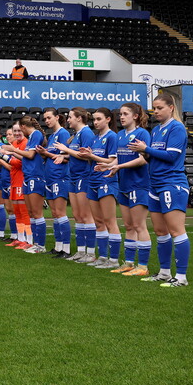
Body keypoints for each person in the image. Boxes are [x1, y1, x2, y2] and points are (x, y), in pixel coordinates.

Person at [131, 93, 192, 287]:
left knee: (176, 230)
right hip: (155, 184)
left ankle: (181, 277)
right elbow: (155, 156)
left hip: (171, 183)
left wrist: (146, 149)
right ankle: (165, 273)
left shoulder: (177, 128)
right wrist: (143, 152)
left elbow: (171, 157)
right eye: (154, 108)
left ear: (171, 108)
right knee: (160, 231)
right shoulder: (156, 130)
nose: (155, 111)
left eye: (159, 108)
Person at [95, 103, 151, 275]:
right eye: (120, 114)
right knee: (128, 225)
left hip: (139, 184)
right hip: (124, 185)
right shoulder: (120, 135)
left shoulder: (142, 133)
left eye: (125, 114)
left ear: (135, 116)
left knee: (139, 225)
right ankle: (128, 263)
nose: (122, 117)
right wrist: (108, 166)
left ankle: (142, 267)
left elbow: (144, 159)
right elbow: (117, 160)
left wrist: (120, 167)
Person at [76, 108, 121, 267]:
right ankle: (102, 257)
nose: (95, 122)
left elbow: (111, 162)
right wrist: (87, 155)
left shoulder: (112, 137)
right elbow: (94, 161)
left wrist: (91, 156)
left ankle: (114, 260)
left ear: (108, 119)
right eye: (94, 119)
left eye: (98, 119)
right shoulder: (95, 139)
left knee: (110, 221)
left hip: (106, 181)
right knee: (99, 222)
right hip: (93, 180)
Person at [54, 108, 97, 262]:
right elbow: (76, 154)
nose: (68, 119)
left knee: (86, 216)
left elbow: (87, 156)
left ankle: (90, 253)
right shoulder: (78, 134)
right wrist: (65, 155)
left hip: (83, 176)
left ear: (79, 118)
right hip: (74, 176)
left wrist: (66, 150)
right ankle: (81, 251)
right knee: (78, 216)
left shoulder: (86, 133)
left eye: (70, 117)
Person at [2, 116, 47, 253]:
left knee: (32, 212)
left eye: (17, 130)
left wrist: (10, 152)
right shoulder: (33, 136)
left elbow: (29, 156)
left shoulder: (35, 135)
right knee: (27, 212)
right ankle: (28, 241)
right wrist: (10, 152)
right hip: (25, 177)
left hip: (32, 176)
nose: (16, 134)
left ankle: (37, 244)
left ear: (23, 127)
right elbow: (26, 157)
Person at [36, 109, 72, 257]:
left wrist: (46, 154)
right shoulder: (52, 136)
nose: (47, 121)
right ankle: (58, 246)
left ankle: (66, 248)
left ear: (57, 117)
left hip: (59, 176)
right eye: (45, 119)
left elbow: (65, 156)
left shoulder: (63, 133)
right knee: (55, 213)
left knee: (61, 213)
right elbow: (52, 155)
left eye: (49, 118)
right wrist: (44, 153)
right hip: (50, 177)